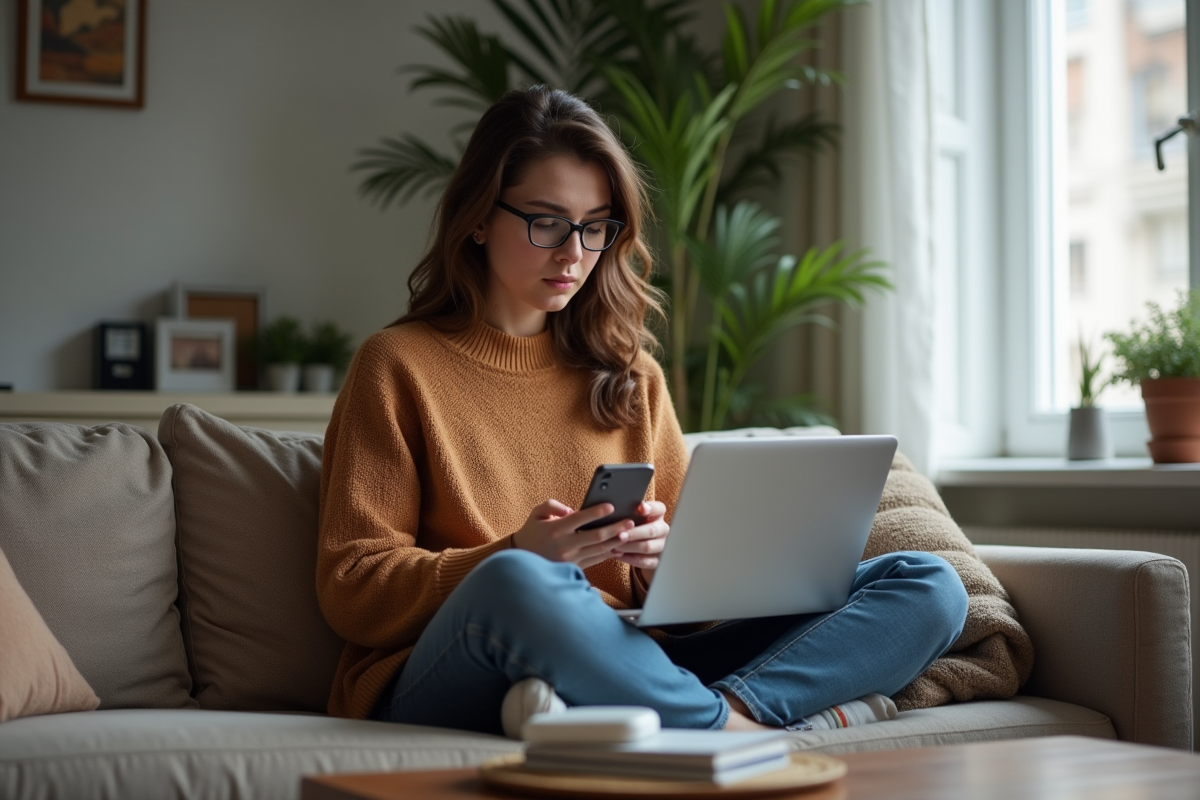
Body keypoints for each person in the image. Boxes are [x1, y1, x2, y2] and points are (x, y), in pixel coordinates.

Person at [316, 85, 969, 738]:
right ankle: (722, 727)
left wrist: (664, 568)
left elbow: (693, 608)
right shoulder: (397, 365)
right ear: (481, 216)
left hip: (634, 654)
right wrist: (515, 552)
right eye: (546, 221)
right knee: (518, 583)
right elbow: (352, 587)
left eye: (596, 226)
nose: (574, 253)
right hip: (461, 657)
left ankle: (731, 712)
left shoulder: (630, 376)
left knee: (930, 585)